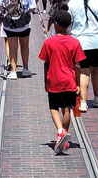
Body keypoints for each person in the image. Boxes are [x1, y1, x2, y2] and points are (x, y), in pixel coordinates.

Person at [39, 9, 86, 155]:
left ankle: (60, 132)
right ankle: (63, 133)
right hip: (69, 81)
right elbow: (78, 65)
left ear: (56, 24)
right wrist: (78, 83)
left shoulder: (49, 42)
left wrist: (45, 81)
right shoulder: (75, 42)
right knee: (67, 109)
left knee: (54, 107)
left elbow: (46, 63)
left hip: (54, 80)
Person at [0, 0, 37, 80]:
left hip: (10, 24)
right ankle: (25, 69)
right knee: (25, 46)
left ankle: (13, 71)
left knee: (12, 47)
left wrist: (6, 12)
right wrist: (26, 12)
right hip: (24, 25)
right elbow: (33, 7)